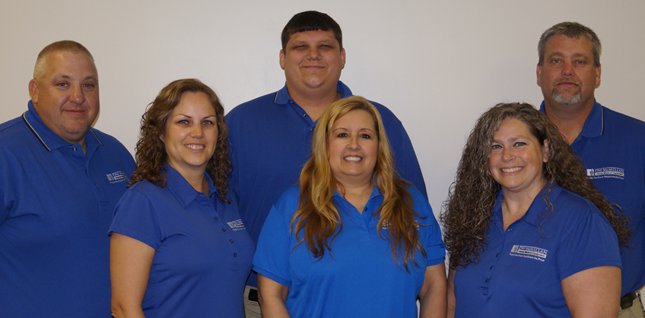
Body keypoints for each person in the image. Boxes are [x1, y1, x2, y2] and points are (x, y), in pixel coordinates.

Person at [225, 11, 427, 316]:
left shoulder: (381, 122)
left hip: (364, 300)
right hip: (264, 300)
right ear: (282, 57)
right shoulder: (241, 123)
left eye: (325, 46)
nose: (313, 55)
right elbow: (214, 209)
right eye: (300, 46)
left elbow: (413, 209)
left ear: (342, 56)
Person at [253, 96, 446, 318]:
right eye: (342, 134)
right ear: (324, 145)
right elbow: (270, 294)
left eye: (365, 136)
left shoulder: (412, 203)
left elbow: (433, 286)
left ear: (379, 146)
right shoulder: (291, 206)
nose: (354, 144)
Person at [442, 103, 628, 317]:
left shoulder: (582, 222)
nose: (507, 156)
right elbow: (452, 304)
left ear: (546, 151)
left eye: (519, 144)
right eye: (496, 146)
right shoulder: (473, 219)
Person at [0, 40, 135, 317]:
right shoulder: (6, 153)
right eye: (63, 84)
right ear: (34, 91)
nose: (77, 96)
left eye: (88, 85)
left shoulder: (115, 154)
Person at [109, 79, 254, 317]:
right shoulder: (142, 202)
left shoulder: (225, 199)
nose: (197, 133)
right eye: (184, 122)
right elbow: (124, 308)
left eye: (207, 123)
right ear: (161, 133)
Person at [536, 21, 645, 317]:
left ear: (597, 74)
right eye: (556, 60)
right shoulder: (512, 145)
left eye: (579, 61)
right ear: (539, 73)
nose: (567, 71)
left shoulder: (638, 140)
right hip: (530, 308)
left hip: (618, 310)